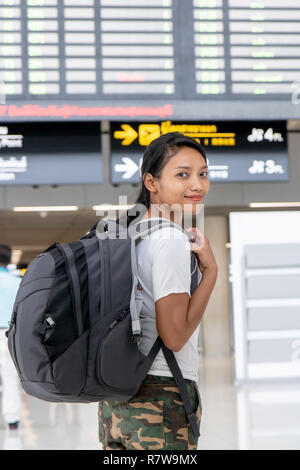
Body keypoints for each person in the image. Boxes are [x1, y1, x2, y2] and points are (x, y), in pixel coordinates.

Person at [98, 132, 218, 450]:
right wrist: (210, 273)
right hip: (160, 398)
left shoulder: (127, 235)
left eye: (203, 174)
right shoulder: (169, 239)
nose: (197, 184)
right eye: (182, 174)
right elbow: (175, 337)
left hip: (116, 402)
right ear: (151, 183)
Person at [0, 245, 22, 431]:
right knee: (10, 377)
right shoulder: (16, 283)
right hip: (7, 333)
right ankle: (12, 420)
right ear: (9, 261)